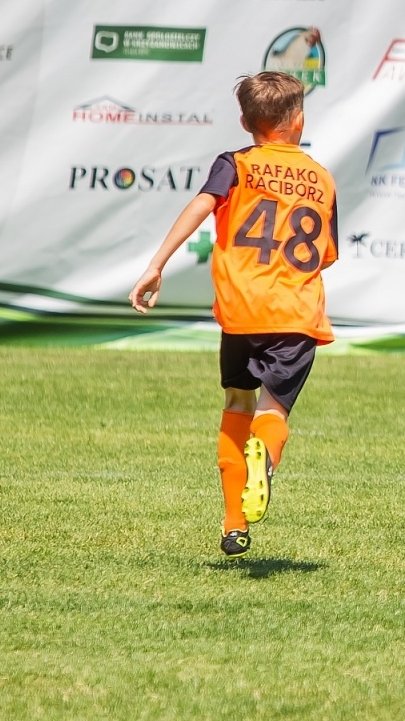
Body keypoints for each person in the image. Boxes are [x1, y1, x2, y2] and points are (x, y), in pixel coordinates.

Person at [128, 71, 338, 557]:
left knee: (237, 406)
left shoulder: (235, 164)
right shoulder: (321, 177)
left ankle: (233, 524)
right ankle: (263, 462)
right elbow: (323, 253)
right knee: (273, 411)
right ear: (299, 119)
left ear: (245, 122)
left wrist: (156, 266)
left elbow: (202, 205)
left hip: (240, 311)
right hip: (294, 313)